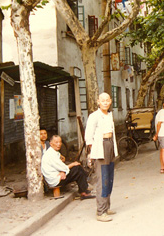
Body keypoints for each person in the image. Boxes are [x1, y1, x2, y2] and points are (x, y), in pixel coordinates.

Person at [85, 92, 119, 222]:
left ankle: (106, 207)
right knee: (103, 179)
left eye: (107, 100)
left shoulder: (109, 115)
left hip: (110, 145)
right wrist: (92, 152)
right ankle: (100, 211)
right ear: (98, 102)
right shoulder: (94, 116)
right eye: (102, 100)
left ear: (110, 101)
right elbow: (89, 136)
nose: (105, 102)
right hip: (101, 147)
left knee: (109, 178)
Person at [41, 135, 95, 200]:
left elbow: (60, 166)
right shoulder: (50, 154)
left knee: (77, 169)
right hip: (54, 180)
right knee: (77, 168)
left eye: (60, 142)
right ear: (51, 143)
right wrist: (71, 165)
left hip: (57, 175)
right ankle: (84, 189)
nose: (59, 144)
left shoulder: (53, 152)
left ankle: (84, 189)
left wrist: (63, 171)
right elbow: (63, 167)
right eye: (56, 142)